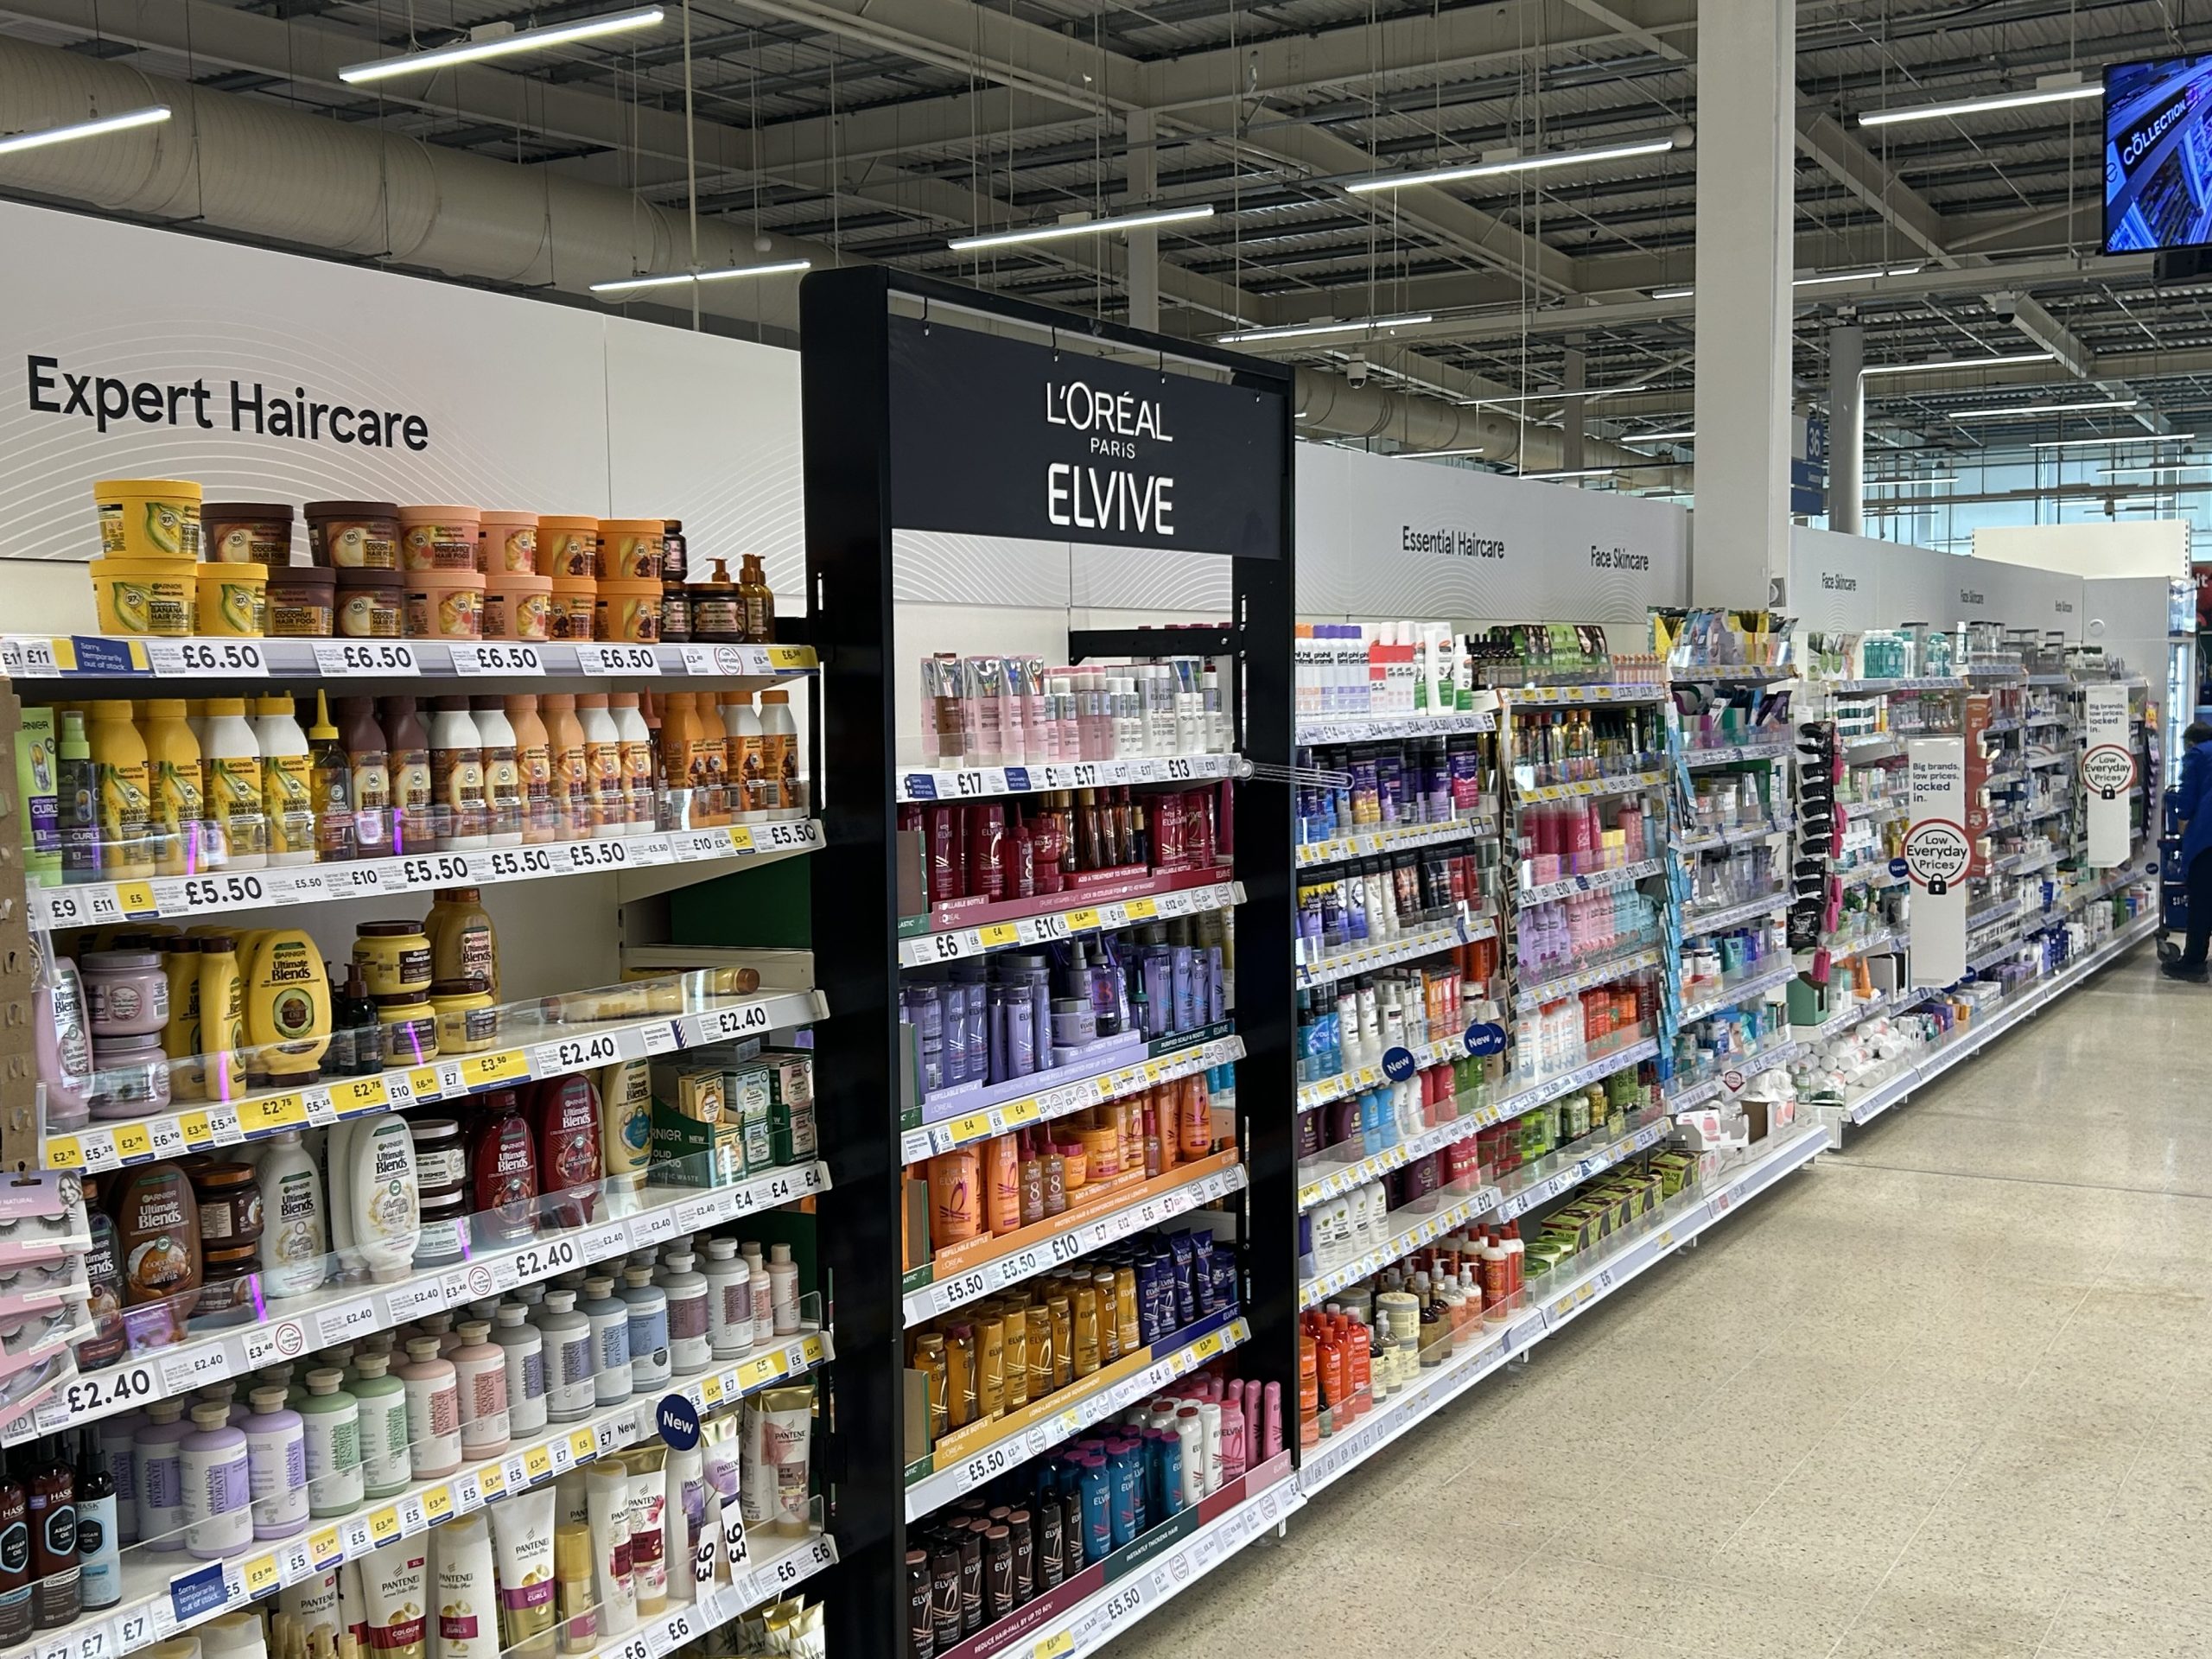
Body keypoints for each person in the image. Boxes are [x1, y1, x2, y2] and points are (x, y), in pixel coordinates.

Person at [2164, 720, 2212, 981]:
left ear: (2191, 742)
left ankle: (2193, 961)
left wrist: (2183, 820)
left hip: (2208, 837)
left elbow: (2187, 798)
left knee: (2202, 899)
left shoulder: (2197, 755)